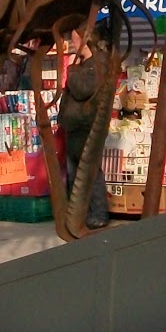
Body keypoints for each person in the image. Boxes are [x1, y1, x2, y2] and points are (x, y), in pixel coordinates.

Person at [57, 27, 110, 230]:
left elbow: (82, 90)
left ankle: (97, 213)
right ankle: (79, 213)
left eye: (75, 40)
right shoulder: (87, 64)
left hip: (85, 125)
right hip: (76, 125)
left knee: (89, 171)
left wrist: (71, 70)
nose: (72, 45)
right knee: (75, 172)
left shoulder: (95, 64)